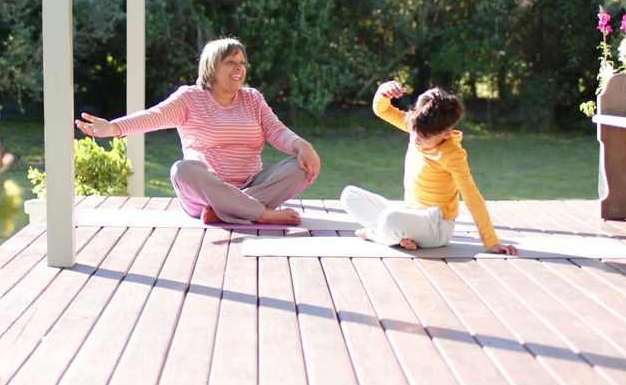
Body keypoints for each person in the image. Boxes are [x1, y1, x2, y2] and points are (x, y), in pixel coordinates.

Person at [74, 37, 320, 225]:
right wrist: (114, 127)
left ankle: (229, 209)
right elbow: (154, 116)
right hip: (205, 191)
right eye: (231, 62)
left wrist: (301, 145)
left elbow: (276, 130)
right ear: (212, 67)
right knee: (182, 170)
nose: (239, 69)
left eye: (242, 63)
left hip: (251, 184)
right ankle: (260, 213)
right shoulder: (190, 98)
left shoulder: (252, 99)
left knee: (301, 166)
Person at [340, 81, 518, 254]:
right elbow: (382, 109)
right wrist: (383, 92)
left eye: (423, 137)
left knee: (390, 219)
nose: (416, 139)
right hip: (408, 213)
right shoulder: (417, 124)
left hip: (437, 226)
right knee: (350, 195)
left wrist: (491, 242)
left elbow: (472, 196)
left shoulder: (453, 155)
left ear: (445, 134)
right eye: (414, 132)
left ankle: (379, 235)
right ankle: (397, 236)